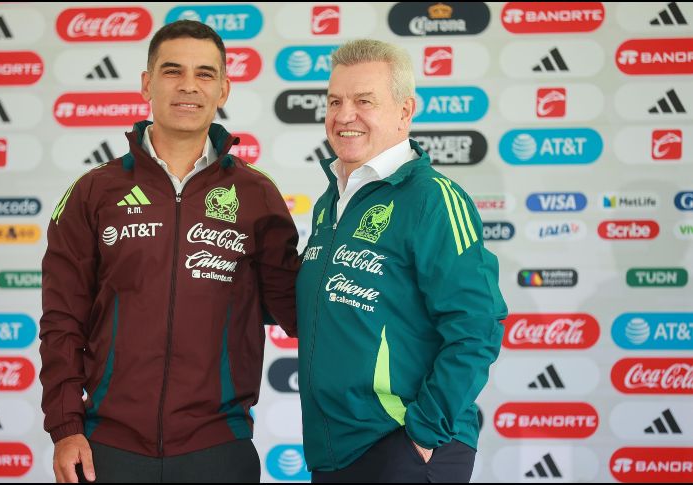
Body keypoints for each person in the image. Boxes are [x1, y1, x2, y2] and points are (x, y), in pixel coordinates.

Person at [39, 20, 299, 483]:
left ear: (223, 88)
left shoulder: (257, 195)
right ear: (146, 83)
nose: (188, 86)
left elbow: (301, 311)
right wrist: (65, 428)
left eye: (204, 74)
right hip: (107, 448)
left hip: (218, 447)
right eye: (172, 70)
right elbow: (62, 320)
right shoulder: (93, 191)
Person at [296, 39, 507, 483]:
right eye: (335, 101)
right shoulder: (330, 203)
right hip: (334, 450)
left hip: (402, 447)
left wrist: (424, 434)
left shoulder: (432, 198)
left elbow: (477, 326)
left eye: (364, 101)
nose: (344, 115)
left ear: (405, 112)